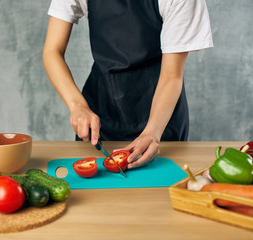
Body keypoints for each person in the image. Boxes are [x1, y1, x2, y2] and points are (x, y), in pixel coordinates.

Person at [43, 0, 213, 169]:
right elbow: (52, 51)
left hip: (160, 116)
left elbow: (171, 76)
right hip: (100, 110)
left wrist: (153, 132)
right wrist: (77, 106)